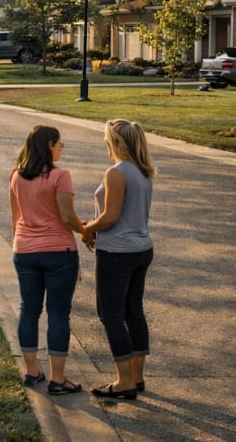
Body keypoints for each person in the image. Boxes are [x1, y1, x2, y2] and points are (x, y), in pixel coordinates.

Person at [82, 119, 156, 400]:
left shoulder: (117, 172)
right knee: (133, 310)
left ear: (115, 142)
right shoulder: (144, 171)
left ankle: (123, 381)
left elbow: (111, 217)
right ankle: (136, 377)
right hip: (141, 248)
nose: (104, 143)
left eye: (106, 139)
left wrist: (88, 228)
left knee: (111, 314)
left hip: (117, 252)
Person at [9, 125, 85, 395]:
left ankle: (31, 372)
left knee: (29, 309)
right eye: (60, 143)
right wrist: (85, 230)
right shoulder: (60, 176)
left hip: (25, 250)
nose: (62, 148)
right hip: (58, 253)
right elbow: (67, 217)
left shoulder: (16, 175)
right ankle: (57, 379)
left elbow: (16, 216)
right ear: (50, 145)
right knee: (58, 313)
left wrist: (22, 243)